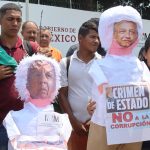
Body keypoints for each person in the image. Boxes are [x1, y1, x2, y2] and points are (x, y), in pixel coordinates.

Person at [87, 6, 150, 150]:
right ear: (112, 33)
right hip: (103, 125)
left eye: (132, 31)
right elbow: (97, 94)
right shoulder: (99, 65)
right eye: (122, 31)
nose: (128, 35)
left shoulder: (141, 66)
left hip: (134, 127)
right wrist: (91, 105)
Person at [4, 54, 71, 149]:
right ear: (25, 81)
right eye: (37, 75)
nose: (43, 80)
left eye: (48, 75)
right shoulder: (13, 119)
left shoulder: (63, 120)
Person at [59, 20, 101, 150]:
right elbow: (62, 95)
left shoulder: (103, 63)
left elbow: (107, 94)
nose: (96, 41)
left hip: (99, 126)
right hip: (75, 127)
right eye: (93, 37)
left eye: (98, 38)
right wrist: (73, 122)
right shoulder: (65, 63)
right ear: (80, 38)